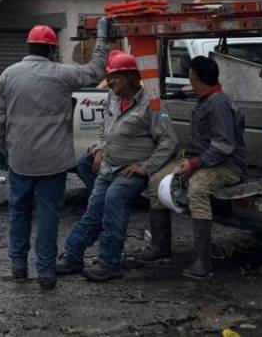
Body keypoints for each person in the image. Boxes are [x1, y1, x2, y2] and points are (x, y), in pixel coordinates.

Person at [0, 20, 110, 289]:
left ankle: (18, 266)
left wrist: (0, 150)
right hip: (54, 162)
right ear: (52, 50)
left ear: (29, 46)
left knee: (19, 213)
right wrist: (102, 37)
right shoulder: (62, 74)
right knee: (48, 216)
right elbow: (97, 71)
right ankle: (46, 272)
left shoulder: (8, 75)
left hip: (20, 161)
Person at [58, 51, 178, 282]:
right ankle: (73, 255)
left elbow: (168, 141)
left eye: (116, 77)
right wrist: (101, 147)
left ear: (132, 78)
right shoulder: (113, 99)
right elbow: (105, 127)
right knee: (94, 209)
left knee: (113, 202)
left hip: (131, 170)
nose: (111, 82)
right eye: (110, 77)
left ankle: (109, 263)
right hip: (109, 167)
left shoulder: (152, 104)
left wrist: (146, 167)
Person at [141, 54, 246, 280]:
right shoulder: (205, 98)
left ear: (194, 76)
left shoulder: (217, 103)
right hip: (203, 159)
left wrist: (194, 164)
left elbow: (223, 145)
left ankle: (202, 260)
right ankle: (160, 246)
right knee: (156, 180)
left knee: (197, 189)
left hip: (226, 165)